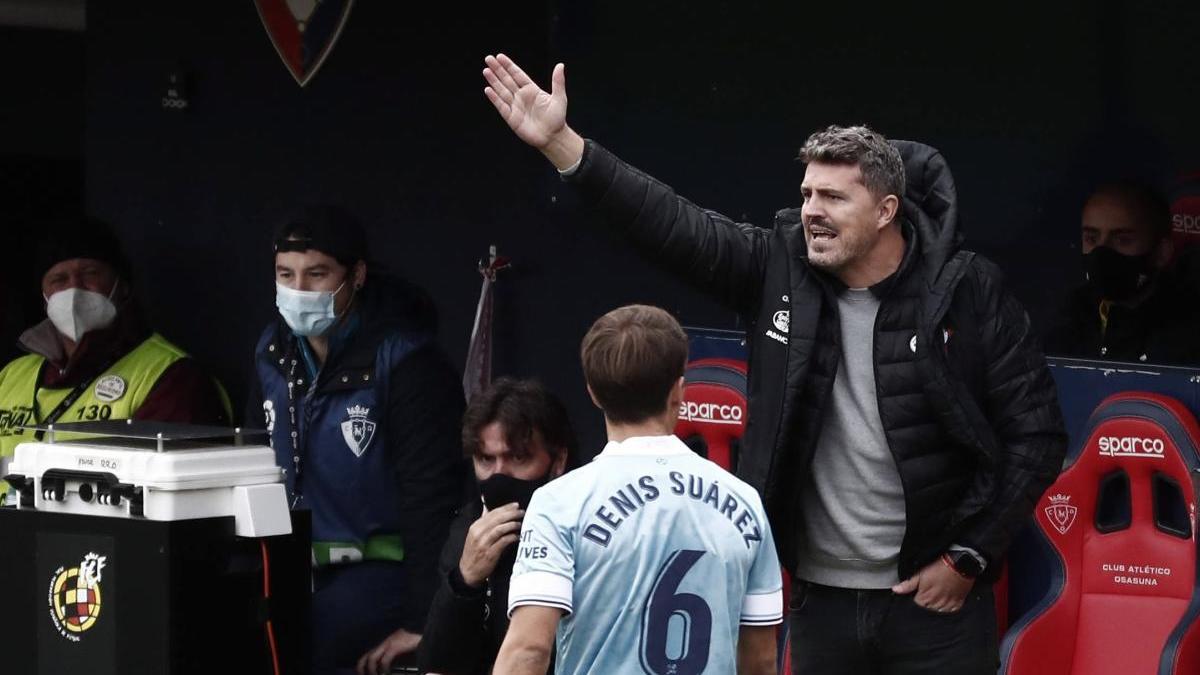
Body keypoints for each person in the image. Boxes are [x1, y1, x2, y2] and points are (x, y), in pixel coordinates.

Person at [482, 54, 1067, 674]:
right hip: (817, 600)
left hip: (938, 604)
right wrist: (565, 147)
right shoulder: (780, 268)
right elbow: (671, 226)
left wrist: (968, 556)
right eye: (807, 193)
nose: (812, 210)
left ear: (887, 211)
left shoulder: (966, 290)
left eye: (834, 197)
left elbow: (1037, 434)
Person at [494, 304, 783, 675]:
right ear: (680, 392)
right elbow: (760, 660)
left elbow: (528, 651)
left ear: (592, 393)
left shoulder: (559, 503)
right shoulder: (745, 502)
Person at [248, 206, 467, 674]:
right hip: (286, 570)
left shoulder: (407, 362)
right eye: (285, 275)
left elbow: (433, 496)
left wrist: (422, 617)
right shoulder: (273, 352)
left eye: (317, 273)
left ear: (357, 275)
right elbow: (247, 463)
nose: (299, 291)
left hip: (377, 577)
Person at [0, 216, 230, 497]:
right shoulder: (11, 375)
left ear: (121, 285)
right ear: (43, 296)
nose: (74, 289)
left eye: (90, 274)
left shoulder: (172, 377)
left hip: (89, 541)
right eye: (59, 279)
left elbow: (163, 498)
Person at [418, 377, 577, 675]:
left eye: (518, 457)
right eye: (486, 459)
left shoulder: (585, 528)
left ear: (558, 460)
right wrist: (465, 582)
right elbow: (437, 663)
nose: (499, 475)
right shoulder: (470, 527)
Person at [1044, 182, 1200, 365]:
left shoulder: (1187, 329)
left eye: (1122, 240)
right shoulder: (1069, 315)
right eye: (1091, 239)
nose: (1102, 252)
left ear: (1161, 253)